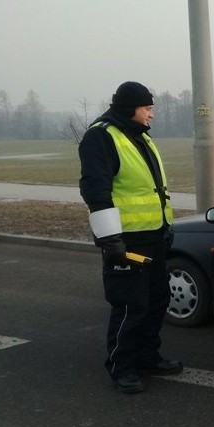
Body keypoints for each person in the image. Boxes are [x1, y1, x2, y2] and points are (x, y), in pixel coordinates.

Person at [78, 81, 182, 394]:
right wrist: (111, 241)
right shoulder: (102, 136)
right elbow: (96, 190)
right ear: (131, 108)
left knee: (156, 300)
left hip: (153, 235)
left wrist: (165, 228)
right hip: (126, 240)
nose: (152, 114)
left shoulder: (138, 136)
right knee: (130, 305)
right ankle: (121, 367)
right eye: (147, 108)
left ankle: (147, 357)